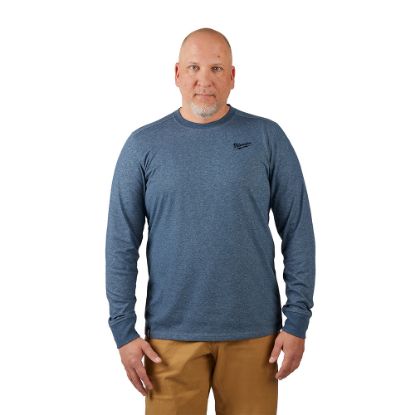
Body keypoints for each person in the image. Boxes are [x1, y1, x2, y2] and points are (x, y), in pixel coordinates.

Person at [105, 27, 316, 415]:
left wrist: (297, 320)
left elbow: (298, 230)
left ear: (232, 76)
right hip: (168, 339)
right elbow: (121, 243)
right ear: (177, 74)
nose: (205, 79)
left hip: (257, 338)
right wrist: (123, 330)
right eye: (194, 67)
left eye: (217, 68)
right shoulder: (143, 146)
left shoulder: (267, 137)